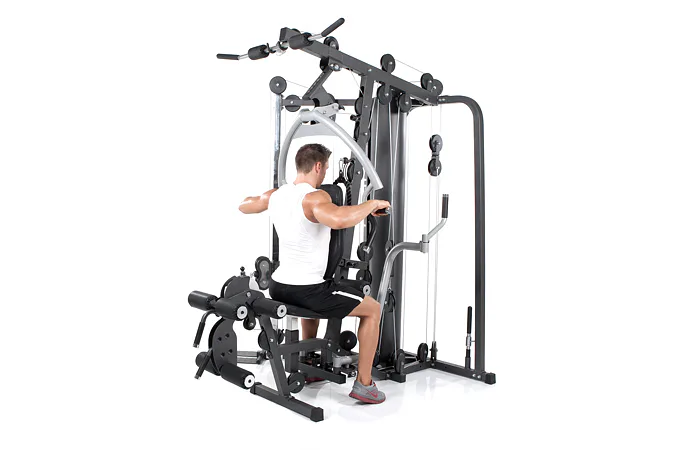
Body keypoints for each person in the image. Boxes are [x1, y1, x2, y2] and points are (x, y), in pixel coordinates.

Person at [238, 143, 390, 404]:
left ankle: (308, 362)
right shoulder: (314, 197)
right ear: (318, 166)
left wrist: (265, 202)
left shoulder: (277, 195)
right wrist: (371, 204)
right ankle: (365, 384)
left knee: (315, 292)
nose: (325, 175)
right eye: (326, 169)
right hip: (307, 290)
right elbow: (339, 219)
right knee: (373, 309)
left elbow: (244, 205)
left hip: (278, 285)